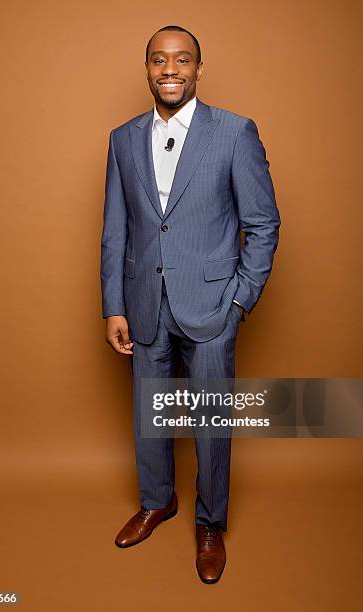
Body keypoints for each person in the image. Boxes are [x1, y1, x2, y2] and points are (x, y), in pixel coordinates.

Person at [100, 24, 280, 584]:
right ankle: (158, 501)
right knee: (150, 418)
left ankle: (209, 522)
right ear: (147, 69)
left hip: (210, 306)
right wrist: (114, 304)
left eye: (182, 60)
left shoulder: (234, 133)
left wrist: (238, 301)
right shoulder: (123, 138)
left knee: (208, 424)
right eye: (159, 60)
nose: (170, 69)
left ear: (198, 69)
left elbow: (263, 224)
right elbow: (116, 229)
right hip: (144, 302)